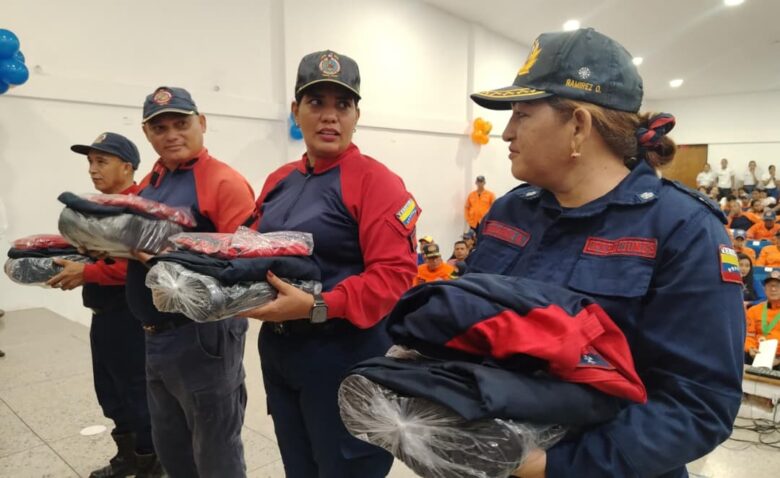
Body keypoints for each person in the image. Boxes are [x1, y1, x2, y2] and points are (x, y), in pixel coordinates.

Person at [469, 27, 744, 477]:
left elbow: (700, 404)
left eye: (522, 115)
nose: (506, 133)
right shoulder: (510, 211)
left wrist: (551, 465)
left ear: (579, 125)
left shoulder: (683, 229)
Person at [245, 50, 419, 478]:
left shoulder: (376, 182)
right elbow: (249, 244)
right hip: (280, 350)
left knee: (347, 468)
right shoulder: (279, 179)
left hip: (344, 355)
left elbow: (394, 278)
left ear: (357, 115)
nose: (329, 116)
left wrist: (317, 305)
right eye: (316, 102)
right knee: (299, 465)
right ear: (295, 111)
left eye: (342, 104)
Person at [124, 86, 257, 477]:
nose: (171, 135)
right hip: (155, 334)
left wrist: (167, 262)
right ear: (147, 133)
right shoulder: (151, 181)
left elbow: (246, 271)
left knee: (215, 452)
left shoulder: (222, 182)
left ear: (201, 123)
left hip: (202, 335)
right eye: (159, 128)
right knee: (172, 447)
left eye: (181, 124)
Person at [46, 133, 162, 477]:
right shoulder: (98, 209)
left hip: (132, 316)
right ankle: (127, 456)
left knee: (137, 390)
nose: (93, 170)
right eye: (90, 162)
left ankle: (150, 462)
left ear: (127, 167)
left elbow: (137, 266)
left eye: (102, 161)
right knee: (110, 390)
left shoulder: (139, 209)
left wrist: (87, 272)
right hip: (103, 315)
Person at [744, 270, 780, 369]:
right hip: (757, 355)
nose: (773, 289)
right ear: (764, 289)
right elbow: (748, 336)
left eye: (777, 286)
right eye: (770, 285)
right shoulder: (753, 310)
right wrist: (750, 348)